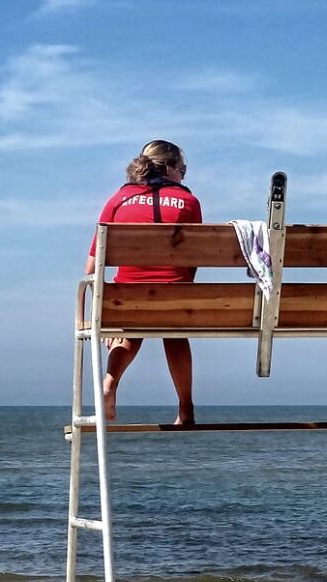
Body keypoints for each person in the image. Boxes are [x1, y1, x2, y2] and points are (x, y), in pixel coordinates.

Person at [85, 140, 202, 424]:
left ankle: (110, 384)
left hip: (125, 299)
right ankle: (185, 408)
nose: (184, 175)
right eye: (183, 169)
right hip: (174, 299)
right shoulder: (189, 202)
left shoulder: (117, 201)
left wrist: (104, 315)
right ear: (171, 168)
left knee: (131, 326)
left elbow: (91, 267)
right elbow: (193, 261)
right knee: (174, 330)